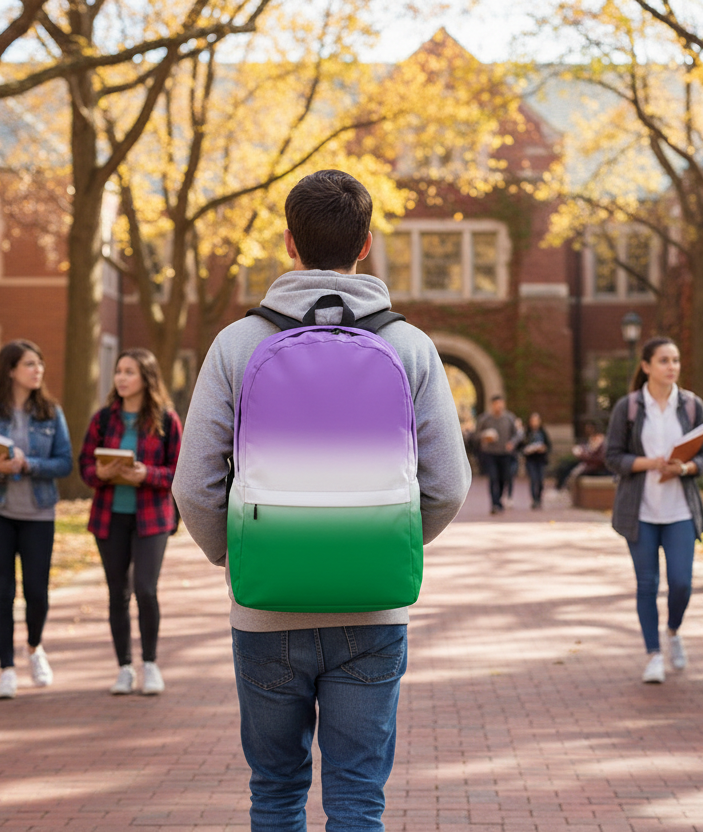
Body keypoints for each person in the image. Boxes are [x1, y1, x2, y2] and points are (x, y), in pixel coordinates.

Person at [173, 170, 471, 829]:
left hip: (266, 606)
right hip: (372, 605)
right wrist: (384, 543)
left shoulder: (236, 344)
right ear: (366, 244)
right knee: (358, 797)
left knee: (276, 792)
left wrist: (241, 554)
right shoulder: (411, 347)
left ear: (288, 243)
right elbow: (448, 485)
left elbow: (194, 484)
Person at [0, 339, 73, 699]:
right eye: (29, 364)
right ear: (10, 370)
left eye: (39, 364)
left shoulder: (51, 413)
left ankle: (34, 647)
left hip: (39, 514)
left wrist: (30, 464)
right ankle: (6, 668)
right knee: (2, 592)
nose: (38, 369)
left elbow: (64, 463)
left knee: (36, 593)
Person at [605, 336, 703, 684]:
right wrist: (650, 462)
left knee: (682, 583)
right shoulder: (630, 407)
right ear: (647, 366)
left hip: (680, 510)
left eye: (676, 360)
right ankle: (653, 654)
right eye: (664, 360)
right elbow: (612, 456)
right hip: (641, 513)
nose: (672, 367)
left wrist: (682, 468)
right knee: (647, 584)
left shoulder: (693, 405)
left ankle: (673, 630)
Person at [79, 348, 182, 696]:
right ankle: (124, 667)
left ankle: (150, 664)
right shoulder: (103, 419)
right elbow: (84, 467)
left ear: (146, 378)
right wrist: (102, 472)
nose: (121, 377)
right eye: (119, 371)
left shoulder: (167, 421)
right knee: (117, 593)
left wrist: (147, 474)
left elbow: (180, 473)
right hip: (110, 518)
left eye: (129, 372)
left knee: (145, 590)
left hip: (152, 519)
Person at [475, 394, 520, 514]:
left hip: (505, 453)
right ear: (492, 405)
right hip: (490, 453)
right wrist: (484, 437)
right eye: (496, 404)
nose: (498, 407)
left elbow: (517, 434)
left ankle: (499, 499)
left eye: (500, 404)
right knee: (493, 478)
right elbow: (477, 435)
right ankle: (494, 503)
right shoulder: (485, 419)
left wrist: (512, 443)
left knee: (503, 478)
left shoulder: (509, 418)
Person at [555, 420, 607, 489]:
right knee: (564, 466)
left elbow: (596, 458)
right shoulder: (590, 439)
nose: (587, 430)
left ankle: (565, 486)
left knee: (573, 471)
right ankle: (560, 486)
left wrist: (582, 455)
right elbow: (586, 449)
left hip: (591, 466)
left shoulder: (601, 442)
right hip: (584, 461)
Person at [521, 412, 551, 509]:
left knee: (541, 480)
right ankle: (534, 500)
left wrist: (544, 448)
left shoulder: (543, 432)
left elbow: (549, 446)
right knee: (533, 479)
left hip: (541, 459)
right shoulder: (526, 433)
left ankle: (539, 498)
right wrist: (527, 450)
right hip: (531, 460)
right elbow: (521, 447)